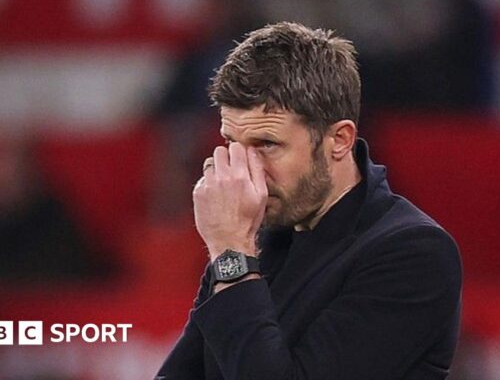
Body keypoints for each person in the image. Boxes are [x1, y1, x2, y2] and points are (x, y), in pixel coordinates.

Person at [156, 22, 462, 380]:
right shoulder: (257, 238)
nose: (246, 171)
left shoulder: (413, 254)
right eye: (232, 144)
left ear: (339, 140)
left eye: (267, 144)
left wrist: (232, 253)